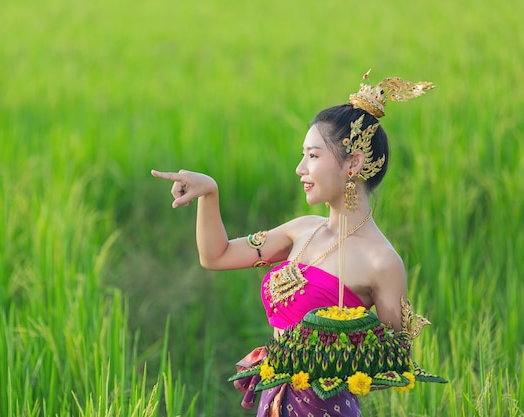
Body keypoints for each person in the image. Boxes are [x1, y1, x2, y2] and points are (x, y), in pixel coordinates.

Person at [151, 72, 434, 417]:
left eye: (313, 156)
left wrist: (328, 363)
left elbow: (393, 363)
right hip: (273, 403)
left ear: (354, 163)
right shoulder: (301, 231)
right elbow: (216, 255)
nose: (300, 168)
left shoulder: (381, 262)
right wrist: (210, 192)